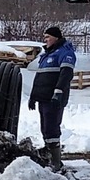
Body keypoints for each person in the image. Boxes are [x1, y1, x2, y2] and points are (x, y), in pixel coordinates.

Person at [27, 25, 76, 171]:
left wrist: (58, 92)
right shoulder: (46, 55)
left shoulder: (65, 53)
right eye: (45, 37)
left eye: (48, 37)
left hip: (53, 99)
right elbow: (40, 79)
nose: (45, 40)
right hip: (43, 98)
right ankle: (49, 156)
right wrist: (33, 97)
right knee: (45, 128)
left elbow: (66, 74)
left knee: (52, 128)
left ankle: (56, 161)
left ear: (56, 38)